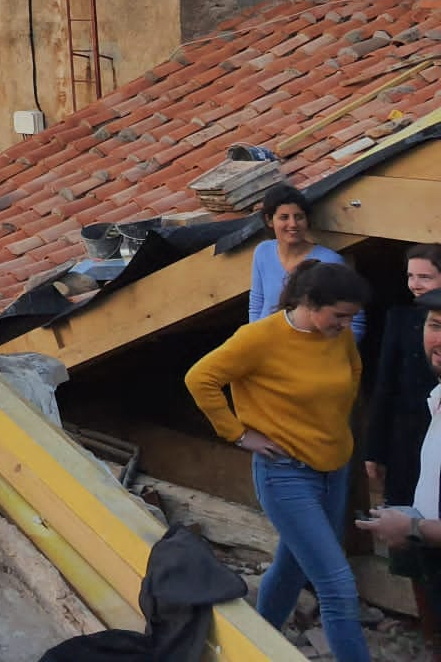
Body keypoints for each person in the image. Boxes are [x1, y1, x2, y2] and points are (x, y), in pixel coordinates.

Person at [186, 260, 373, 662]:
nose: (346, 325)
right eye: (339, 316)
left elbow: (354, 369)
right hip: (285, 472)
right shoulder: (258, 339)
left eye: (351, 317)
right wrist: (237, 433)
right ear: (310, 302)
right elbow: (200, 379)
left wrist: (331, 421)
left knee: (292, 568)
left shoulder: (337, 335)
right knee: (337, 585)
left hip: (335, 465)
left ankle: (252, 647)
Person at [361, 245, 441, 643]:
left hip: (435, 438)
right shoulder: (399, 318)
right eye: (411, 277)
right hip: (405, 444)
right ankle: (428, 630)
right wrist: (374, 448)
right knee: (407, 547)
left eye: (424, 277)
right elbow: (384, 384)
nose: (415, 285)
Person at [249, 184, 364, 338]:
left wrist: (334, 355)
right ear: (269, 220)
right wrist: (253, 342)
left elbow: (354, 320)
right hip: (267, 347)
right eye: (284, 217)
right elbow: (257, 305)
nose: (293, 224)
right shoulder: (263, 252)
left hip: (310, 351)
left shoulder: (328, 261)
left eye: (299, 217)